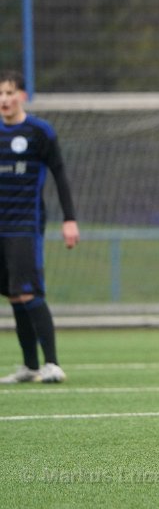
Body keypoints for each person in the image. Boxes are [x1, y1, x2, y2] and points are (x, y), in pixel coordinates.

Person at [0, 71, 79, 384]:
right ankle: (30, 366)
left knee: (29, 291)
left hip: (25, 225)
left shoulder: (39, 132)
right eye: (0, 94)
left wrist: (69, 219)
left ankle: (53, 364)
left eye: (10, 93)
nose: (4, 99)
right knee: (14, 295)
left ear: (23, 96)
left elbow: (60, 174)